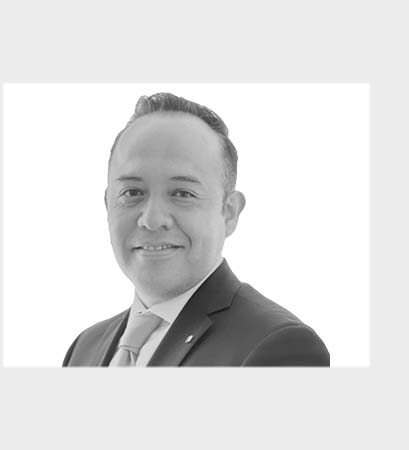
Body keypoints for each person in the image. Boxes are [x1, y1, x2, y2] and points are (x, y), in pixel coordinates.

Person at [63, 92, 330, 367]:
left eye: (182, 193)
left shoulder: (280, 347)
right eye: (132, 192)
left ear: (230, 212)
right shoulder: (84, 349)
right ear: (107, 204)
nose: (152, 220)